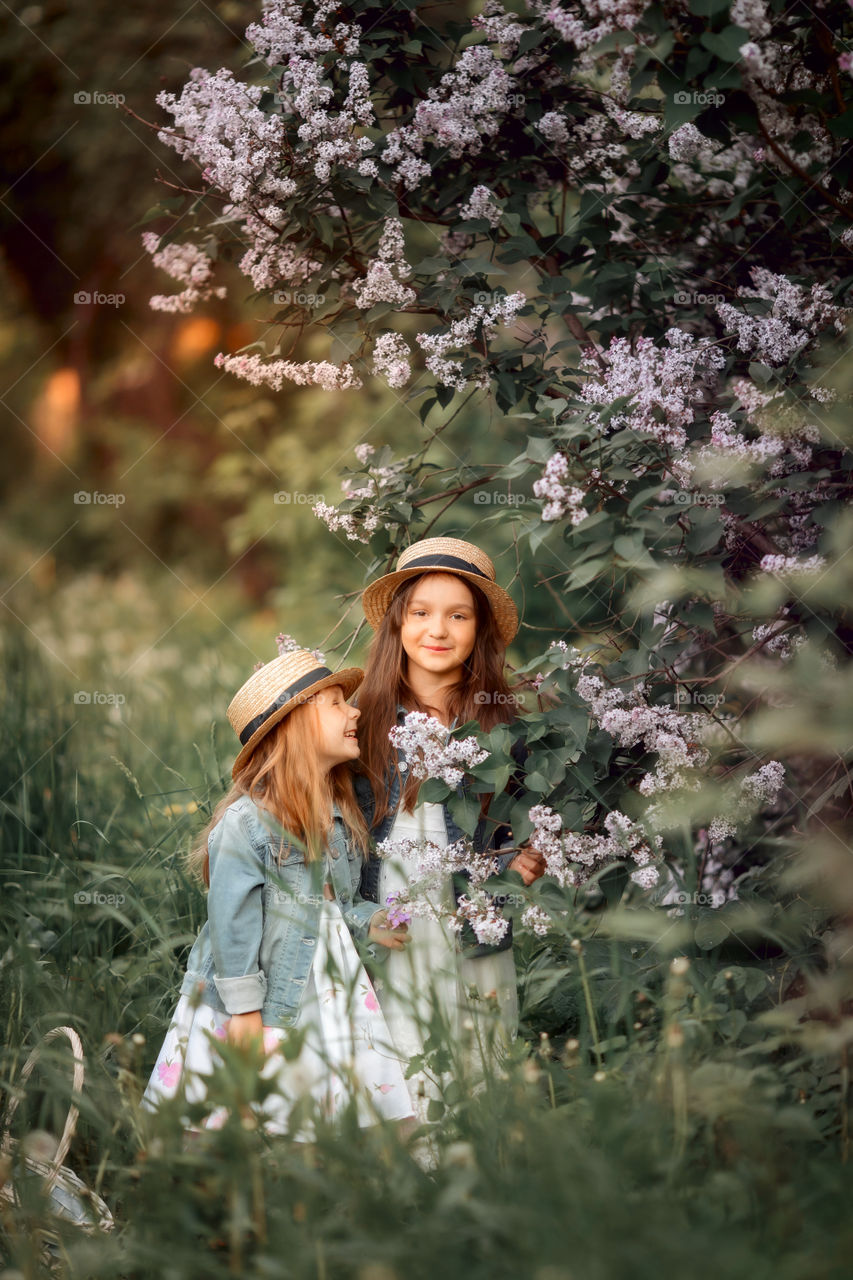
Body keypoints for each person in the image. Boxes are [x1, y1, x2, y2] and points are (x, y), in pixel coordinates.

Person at [141, 644, 413, 1140]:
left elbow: (338, 904)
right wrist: (244, 1013)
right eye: (335, 703)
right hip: (260, 995)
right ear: (293, 728)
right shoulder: (247, 825)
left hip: (328, 986)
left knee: (318, 1102)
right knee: (235, 1113)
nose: (354, 711)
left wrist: (372, 920)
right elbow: (232, 927)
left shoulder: (336, 813)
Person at [353, 537, 544, 1129]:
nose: (438, 629)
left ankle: (478, 1156)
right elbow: (335, 826)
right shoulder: (363, 718)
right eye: (420, 613)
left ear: (479, 630)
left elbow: (535, 810)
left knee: (479, 1043)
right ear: (397, 624)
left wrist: (531, 854)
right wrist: (358, 915)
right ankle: (411, 1168)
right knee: (401, 1042)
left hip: (474, 913)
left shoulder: (498, 720)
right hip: (396, 914)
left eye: (457, 615)